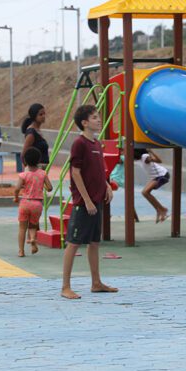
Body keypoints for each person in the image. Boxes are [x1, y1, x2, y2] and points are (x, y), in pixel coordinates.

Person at [61, 104, 117, 300]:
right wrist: (86, 200)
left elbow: (98, 171)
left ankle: (96, 283)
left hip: (97, 201)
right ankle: (65, 287)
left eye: (98, 117)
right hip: (84, 204)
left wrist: (106, 186)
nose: (98, 120)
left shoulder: (96, 144)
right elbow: (75, 173)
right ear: (84, 123)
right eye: (94, 117)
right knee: (73, 243)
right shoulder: (80, 144)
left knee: (94, 243)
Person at [13, 147, 53, 257]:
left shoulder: (23, 175)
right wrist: (42, 185)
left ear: (25, 161)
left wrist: (16, 197)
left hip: (25, 202)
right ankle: (32, 240)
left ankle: (21, 251)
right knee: (33, 225)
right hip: (37, 204)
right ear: (39, 160)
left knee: (22, 228)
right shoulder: (42, 174)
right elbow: (50, 188)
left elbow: (17, 188)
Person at [133, 148, 170, 223]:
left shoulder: (145, 157)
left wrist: (151, 151)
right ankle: (159, 210)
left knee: (145, 192)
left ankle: (163, 209)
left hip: (162, 175)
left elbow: (159, 161)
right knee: (144, 193)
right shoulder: (140, 159)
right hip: (155, 177)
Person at [22, 104, 50, 168]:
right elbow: (23, 154)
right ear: (34, 116)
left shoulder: (37, 130)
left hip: (41, 168)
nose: (43, 116)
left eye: (44, 114)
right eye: (40, 114)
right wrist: (29, 170)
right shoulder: (31, 133)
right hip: (35, 170)